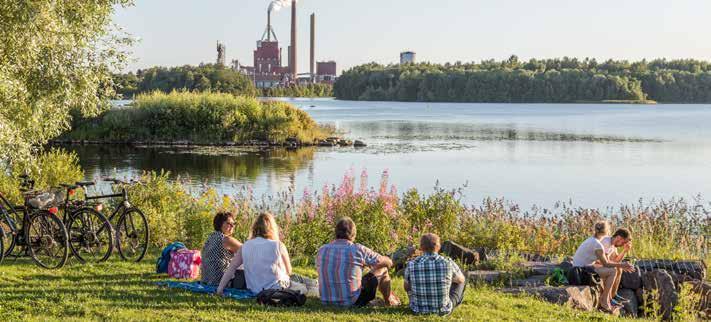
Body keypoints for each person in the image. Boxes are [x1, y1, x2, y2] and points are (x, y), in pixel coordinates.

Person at [216, 213, 318, 297]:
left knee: (301, 282)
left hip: (255, 290)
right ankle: (317, 285)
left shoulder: (245, 246)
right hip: (277, 288)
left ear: (254, 228)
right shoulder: (278, 245)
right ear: (272, 228)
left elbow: (231, 268)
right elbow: (289, 271)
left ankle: (315, 283)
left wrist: (220, 289)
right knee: (303, 287)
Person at [316, 217, 401, 307]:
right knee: (382, 268)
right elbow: (387, 262)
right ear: (353, 235)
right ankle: (388, 301)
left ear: (335, 233)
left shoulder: (322, 250)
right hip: (352, 302)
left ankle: (382, 301)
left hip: (326, 301)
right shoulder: (357, 249)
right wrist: (382, 262)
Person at [572, 222, 634, 313]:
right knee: (612, 271)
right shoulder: (600, 244)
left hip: (579, 270)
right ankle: (605, 300)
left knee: (613, 270)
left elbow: (610, 262)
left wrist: (624, 254)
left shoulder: (593, 240)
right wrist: (622, 265)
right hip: (581, 273)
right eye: (624, 242)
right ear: (607, 231)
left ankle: (608, 298)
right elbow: (605, 263)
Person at [404, 233, 466, 315]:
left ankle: (419, 302)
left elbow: (406, 287)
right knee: (462, 279)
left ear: (421, 247)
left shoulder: (411, 264)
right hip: (443, 311)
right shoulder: (447, 262)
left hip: (417, 310)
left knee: (409, 280)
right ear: (439, 247)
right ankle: (449, 303)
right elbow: (461, 280)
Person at [200, 212, 242, 286]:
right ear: (220, 224)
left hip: (206, 280)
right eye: (229, 223)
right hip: (221, 282)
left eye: (233, 223)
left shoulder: (211, 237)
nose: (232, 226)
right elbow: (248, 250)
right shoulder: (226, 239)